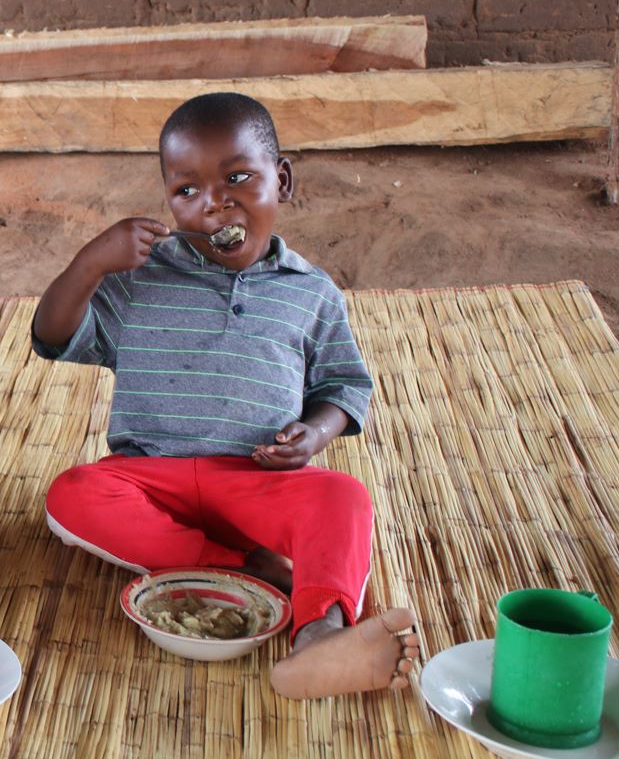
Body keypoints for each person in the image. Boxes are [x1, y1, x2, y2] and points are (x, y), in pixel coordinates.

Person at [31, 92, 420, 700]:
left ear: (282, 180)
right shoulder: (139, 279)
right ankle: (247, 570)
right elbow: (52, 337)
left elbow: (345, 387)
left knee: (342, 496)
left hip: (259, 483)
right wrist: (89, 264)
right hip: (146, 478)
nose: (215, 204)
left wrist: (313, 434)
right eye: (188, 191)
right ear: (169, 200)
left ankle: (322, 634)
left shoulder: (311, 292)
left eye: (238, 178)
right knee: (74, 495)